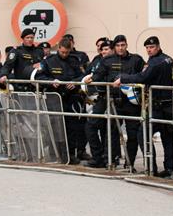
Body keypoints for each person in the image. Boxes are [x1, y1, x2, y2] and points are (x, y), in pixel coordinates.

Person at [114, 36, 173, 177]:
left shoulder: (155, 62)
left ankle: (151, 168)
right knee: (168, 138)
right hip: (168, 105)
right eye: (147, 48)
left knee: (143, 135)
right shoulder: (168, 59)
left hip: (158, 106)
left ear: (158, 46)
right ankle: (170, 168)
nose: (149, 50)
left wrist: (123, 78)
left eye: (152, 47)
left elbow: (142, 78)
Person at [87, 34, 144, 171]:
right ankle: (110, 161)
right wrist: (91, 78)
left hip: (132, 103)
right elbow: (99, 74)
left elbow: (144, 74)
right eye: (118, 45)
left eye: (123, 45)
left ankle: (130, 164)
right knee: (112, 133)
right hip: (114, 102)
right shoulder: (107, 60)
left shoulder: (136, 59)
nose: (120, 48)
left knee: (132, 135)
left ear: (126, 45)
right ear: (115, 47)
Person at [35, 38, 86, 164]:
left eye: (67, 52)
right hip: (54, 99)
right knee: (54, 127)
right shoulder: (49, 61)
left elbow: (82, 76)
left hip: (71, 98)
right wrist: (51, 82)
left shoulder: (74, 60)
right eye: (62, 52)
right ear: (58, 48)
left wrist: (75, 83)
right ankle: (55, 153)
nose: (64, 54)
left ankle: (70, 154)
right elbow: (39, 76)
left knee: (71, 128)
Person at [83, 39, 119, 168]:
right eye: (102, 49)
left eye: (106, 49)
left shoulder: (119, 60)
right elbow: (90, 75)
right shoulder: (97, 61)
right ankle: (98, 157)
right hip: (102, 98)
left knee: (111, 129)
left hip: (116, 99)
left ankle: (111, 158)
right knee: (91, 126)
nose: (103, 51)